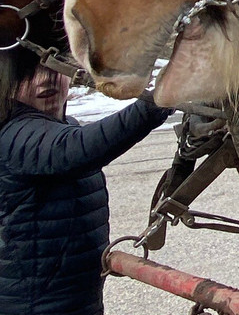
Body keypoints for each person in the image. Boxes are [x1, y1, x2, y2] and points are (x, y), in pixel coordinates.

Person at [0, 46, 170, 315]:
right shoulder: (14, 133)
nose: (47, 77)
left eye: (56, 66)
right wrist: (162, 96)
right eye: (28, 72)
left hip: (74, 300)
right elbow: (77, 148)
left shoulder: (66, 124)